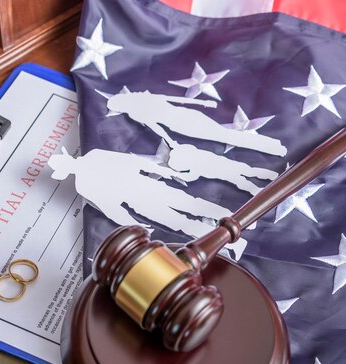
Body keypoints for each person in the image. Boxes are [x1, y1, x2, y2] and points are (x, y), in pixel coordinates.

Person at [49, 148, 247, 258]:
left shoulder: (91, 165)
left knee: (190, 207)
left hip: (147, 189)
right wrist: (131, 223)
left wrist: (166, 173)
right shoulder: (83, 182)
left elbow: (132, 163)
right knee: (184, 220)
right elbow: (111, 208)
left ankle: (242, 219)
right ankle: (231, 242)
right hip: (142, 202)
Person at [105, 90, 287, 156]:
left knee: (224, 135)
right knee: (224, 135)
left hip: (184, 122)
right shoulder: (141, 105)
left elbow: (157, 126)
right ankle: (271, 146)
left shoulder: (140, 109)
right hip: (186, 118)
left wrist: (171, 141)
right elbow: (171, 100)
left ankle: (271, 147)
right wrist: (202, 103)